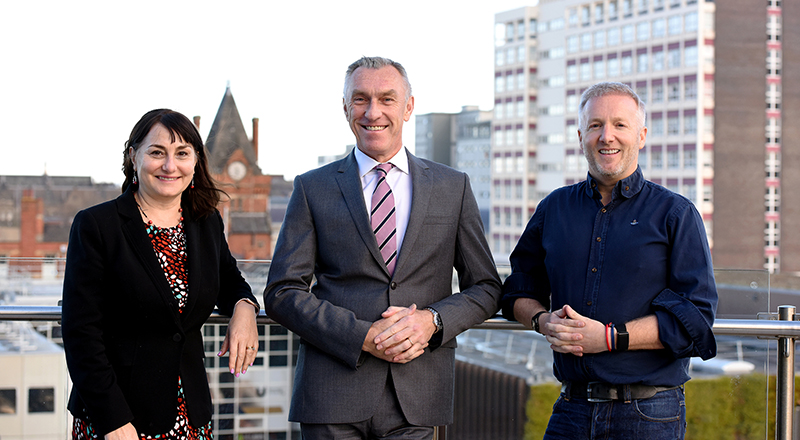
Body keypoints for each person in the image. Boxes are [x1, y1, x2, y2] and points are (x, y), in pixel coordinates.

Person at [263, 56, 502, 439]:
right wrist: (361, 337)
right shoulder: (312, 188)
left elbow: (487, 287)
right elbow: (281, 292)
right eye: (360, 99)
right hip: (331, 395)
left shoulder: (452, 186)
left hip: (418, 397)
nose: (373, 111)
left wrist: (432, 321)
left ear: (408, 107)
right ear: (345, 109)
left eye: (387, 99)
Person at [501, 82, 718, 439]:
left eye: (620, 125)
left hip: (648, 414)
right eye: (595, 125)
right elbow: (517, 290)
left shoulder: (675, 214)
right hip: (570, 410)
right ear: (580, 136)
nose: (607, 136)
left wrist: (609, 337)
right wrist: (542, 321)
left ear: (641, 135)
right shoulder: (553, 208)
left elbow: (696, 319)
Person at [62, 109, 260, 440]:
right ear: (133, 156)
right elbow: (81, 334)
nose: (170, 166)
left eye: (182, 153)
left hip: (190, 415)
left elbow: (228, 278)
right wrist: (112, 419)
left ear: (195, 162)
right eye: (157, 152)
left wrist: (243, 306)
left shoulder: (205, 221)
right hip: (118, 417)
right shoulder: (97, 226)